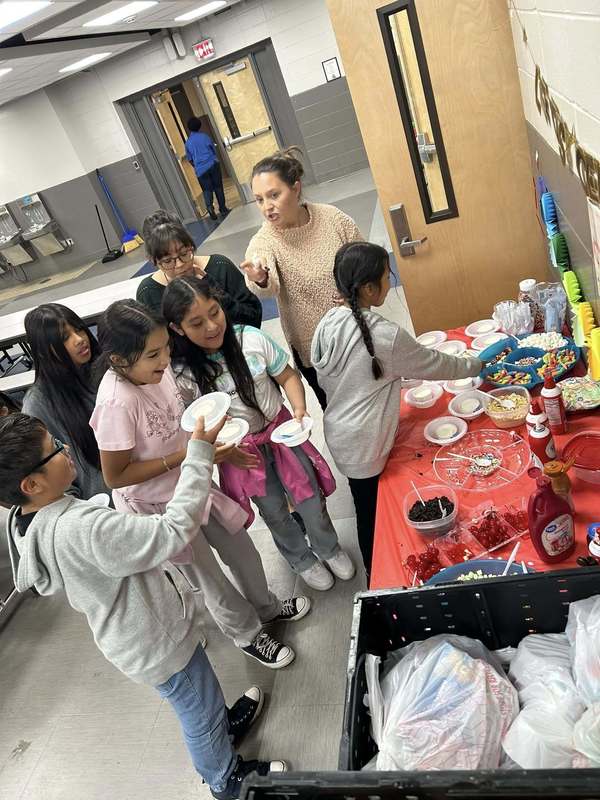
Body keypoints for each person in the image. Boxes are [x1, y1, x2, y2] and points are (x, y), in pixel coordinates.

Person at [1, 411, 286, 798]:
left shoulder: (26, 520)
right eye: (53, 449)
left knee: (201, 690)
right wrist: (198, 454)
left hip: (138, 633)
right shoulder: (79, 528)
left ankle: (222, 729)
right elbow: (173, 531)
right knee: (196, 711)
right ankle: (224, 776)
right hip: (154, 641)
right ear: (32, 483)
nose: (66, 449)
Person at [90, 299, 308, 668]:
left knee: (243, 552)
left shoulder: (158, 373)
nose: (164, 361)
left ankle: (266, 607)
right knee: (208, 577)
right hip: (160, 506)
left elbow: (182, 423)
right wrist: (193, 454)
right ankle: (247, 634)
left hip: (193, 481)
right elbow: (116, 476)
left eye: (166, 349)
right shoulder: (116, 404)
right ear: (118, 360)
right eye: (153, 355)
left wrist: (217, 450)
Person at [163, 275, 355, 592]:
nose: (212, 327)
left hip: (280, 434)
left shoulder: (250, 339)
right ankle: (301, 560)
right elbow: (191, 426)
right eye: (196, 323)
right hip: (239, 452)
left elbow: (288, 376)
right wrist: (222, 449)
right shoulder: (182, 375)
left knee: (308, 496)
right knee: (274, 510)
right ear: (177, 328)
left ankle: (328, 548)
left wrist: (298, 410)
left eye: (214, 312)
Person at [311, 242, 483, 576]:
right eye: (386, 276)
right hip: (364, 443)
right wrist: (475, 364)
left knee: (365, 502)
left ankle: (380, 570)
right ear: (368, 288)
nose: (390, 282)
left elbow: (355, 377)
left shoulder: (329, 321)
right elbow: (434, 364)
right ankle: (380, 578)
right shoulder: (383, 336)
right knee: (373, 516)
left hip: (340, 433)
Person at [240, 147, 363, 410]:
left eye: (274, 195)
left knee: (372, 401)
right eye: (259, 199)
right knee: (338, 413)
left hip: (356, 333)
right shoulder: (265, 240)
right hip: (313, 349)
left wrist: (354, 291)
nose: (267, 207)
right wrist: (260, 277)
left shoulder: (332, 218)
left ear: (296, 188)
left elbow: (363, 261)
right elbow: (265, 284)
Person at [22, 303, 109, 500]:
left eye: (79, 329)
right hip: (101, 505)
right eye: (64, 337)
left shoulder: (103, 370)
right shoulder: (38, 404)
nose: (79, 339)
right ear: (44, 351)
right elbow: (49, 477)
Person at [137, 210, 262, 326]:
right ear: (154, 261)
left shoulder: (220, 267)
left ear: (190, 244)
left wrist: (216, 292)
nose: (180, 264)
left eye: (184, 253)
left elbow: (253, 317)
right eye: (168, 261)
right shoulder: (148, 292)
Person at [185, 117, 229, 220]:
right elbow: (213, 149)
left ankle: (210, 207)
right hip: (212, 164)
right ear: (199, 125)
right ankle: (222, 209)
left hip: (200, 169)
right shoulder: (205, 137)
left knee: (206, 190)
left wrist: (197, 166)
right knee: (218, 187)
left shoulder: (188, 143)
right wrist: (213, 160)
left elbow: (190, 159)